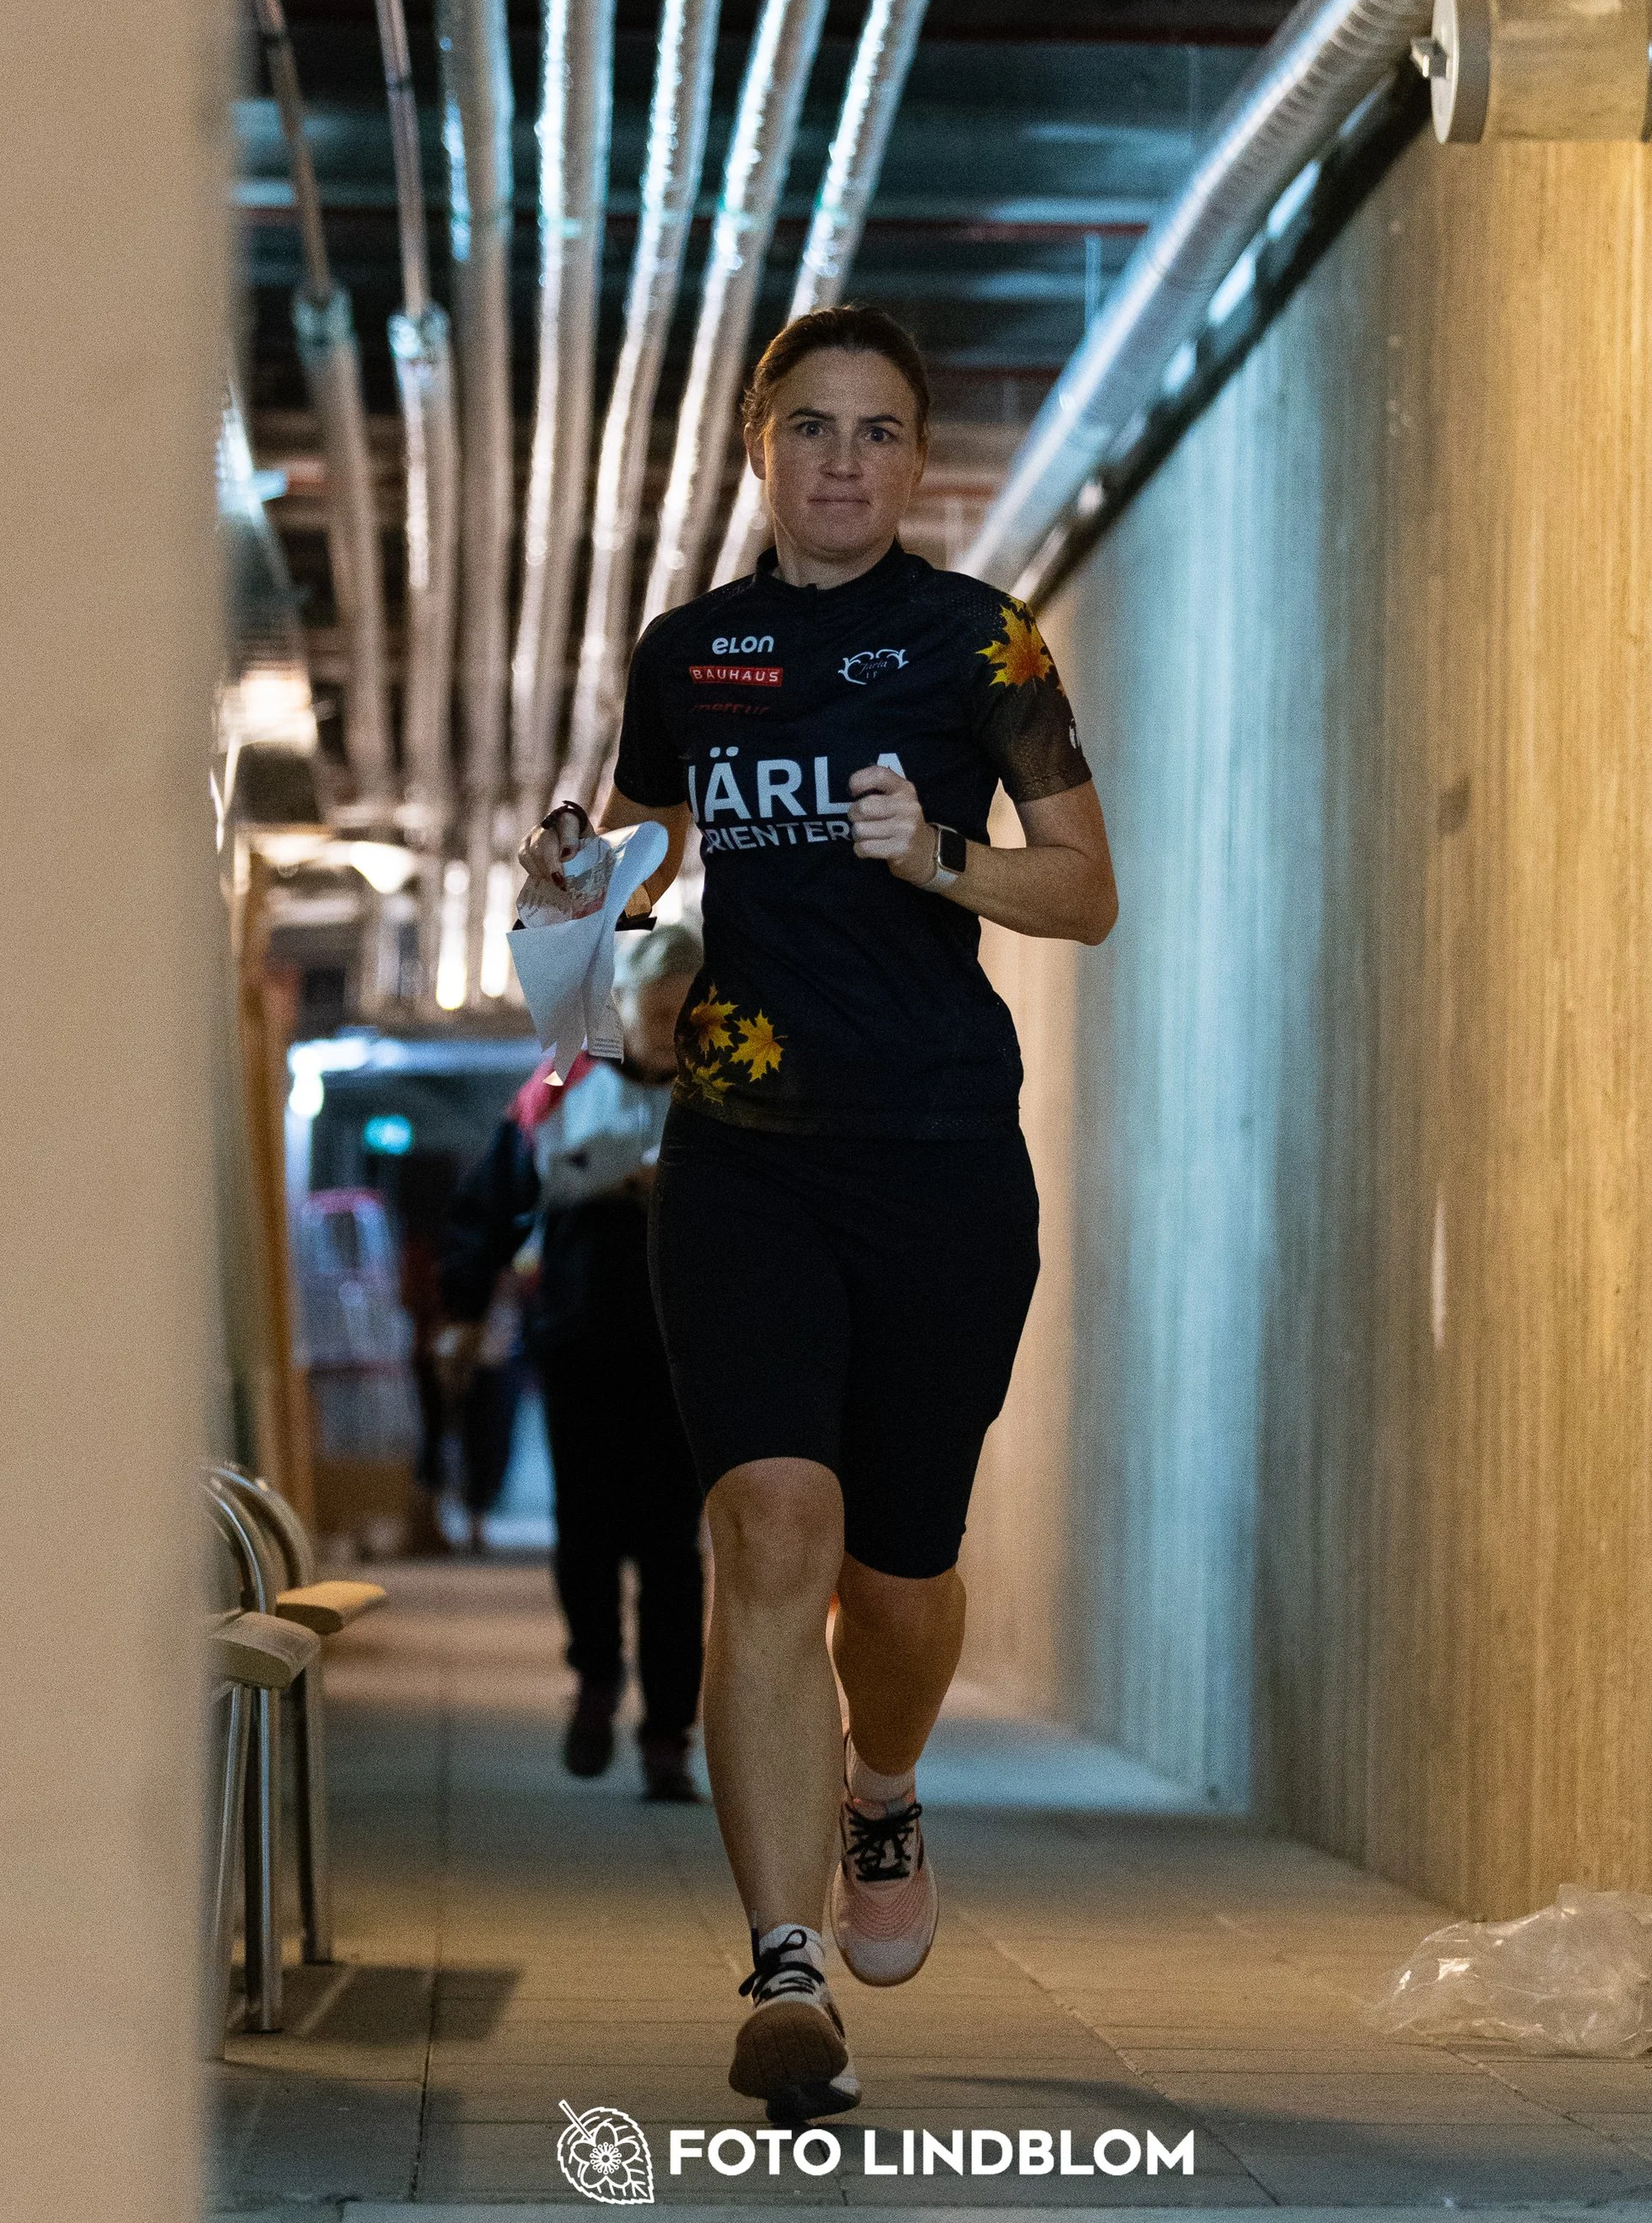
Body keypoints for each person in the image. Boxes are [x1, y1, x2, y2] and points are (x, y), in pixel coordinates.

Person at [520, 304, 1118, 2123]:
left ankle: (882, 1784)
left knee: (897, 1567)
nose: (841, 460)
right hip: (745, 1154)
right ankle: (782, 1967)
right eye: (808, 429)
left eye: (875, 431)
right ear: (756, 451)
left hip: (939, 1156)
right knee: (772, 1527)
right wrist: (576, 880)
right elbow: (625, 873)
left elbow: (1084, 886)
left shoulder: (977, 639)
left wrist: (936, 855)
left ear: (915, 458)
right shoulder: (691, 656)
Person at [439, 926, 709, 1802]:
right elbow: (488, 1205)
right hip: (581, 1341)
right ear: (619, 1006)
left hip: (686, 1356)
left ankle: (668, 1732)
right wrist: (461, 1309)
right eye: (654, 1006)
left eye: (683, 1006)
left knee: (672, 1547)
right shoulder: (557, 1091)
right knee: (586, 1531)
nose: (669, 1021)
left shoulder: (727, 1089)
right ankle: (596, 1680)